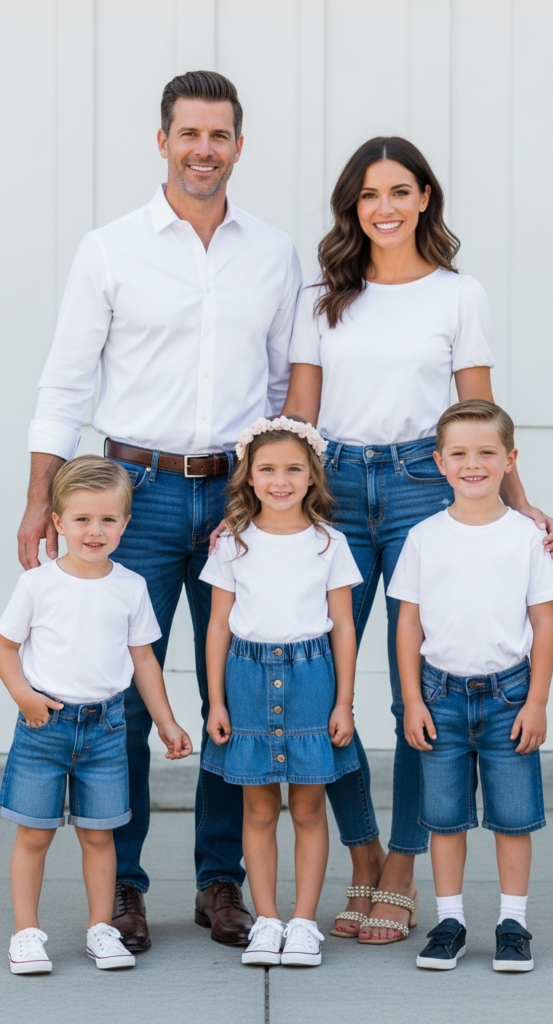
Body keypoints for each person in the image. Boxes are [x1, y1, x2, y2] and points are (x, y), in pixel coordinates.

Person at [17, 70, 301, 950]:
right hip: (129, 499)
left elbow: (287, 384)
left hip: (235, 498)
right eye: (188, 134)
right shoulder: (109, 249)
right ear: (163, 141)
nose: (203, 150)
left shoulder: (274, 252)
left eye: (219, 135)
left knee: (233, 692)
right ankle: (126, 889)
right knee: (123, 698)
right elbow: (65, 382)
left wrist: (270, 494)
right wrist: (38, 500)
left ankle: (221, 883)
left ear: (239, 146)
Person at [284, 136, 553, 944]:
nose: (385, 208)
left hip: (417, 485)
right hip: (329, 487)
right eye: (369, 195)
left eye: (400, 191)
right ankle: (361, 852)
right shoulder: (319, 297)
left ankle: (401, 869)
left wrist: (522, 504)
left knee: (418, 697)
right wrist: (274, 512)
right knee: (317, 687)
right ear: (352, 208)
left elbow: (479, 412)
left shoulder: (457, 294)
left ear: (425, 198)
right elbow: (299, 412)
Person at [0, 457, 192, 974]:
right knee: (34, 835)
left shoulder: (129, 586)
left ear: (126, 524)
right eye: (82, 519)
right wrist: (22, 694)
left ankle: (100, 928)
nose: (95, 530)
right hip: (44, 727)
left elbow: (144, 660)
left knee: (100, 834)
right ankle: (25, 933)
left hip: (108, 730)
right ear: (57, 522)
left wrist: (167, 722)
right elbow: (6, 647)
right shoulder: (39, 585)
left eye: (108, 519)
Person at [388, 400, 553, 971]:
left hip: (510, 694)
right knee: (444, 817)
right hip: (440, 696)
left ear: (510, 460)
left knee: (513, 817)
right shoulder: (423, 537)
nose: (473, 464)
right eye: (459, 454)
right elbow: (408, 624)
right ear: (439, 462)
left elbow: (543, 623)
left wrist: (537, 700)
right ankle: (450, 920)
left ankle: (514, 923)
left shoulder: (528, 538)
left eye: (487, 453)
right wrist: (412, 699)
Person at [200, 417, 362, 966]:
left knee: (311, 808)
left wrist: (344, 701)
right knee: (260, 807)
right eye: (267, 469)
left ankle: (302, 923)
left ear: (313, 477)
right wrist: (216, 700)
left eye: (294, 468)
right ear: (248, 477)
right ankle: (267, 918)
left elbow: (343, 625)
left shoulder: (330, 543)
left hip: (312, 679)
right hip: (246, 679)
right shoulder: (233, 544)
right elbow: (218, 626)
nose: (280, 480)